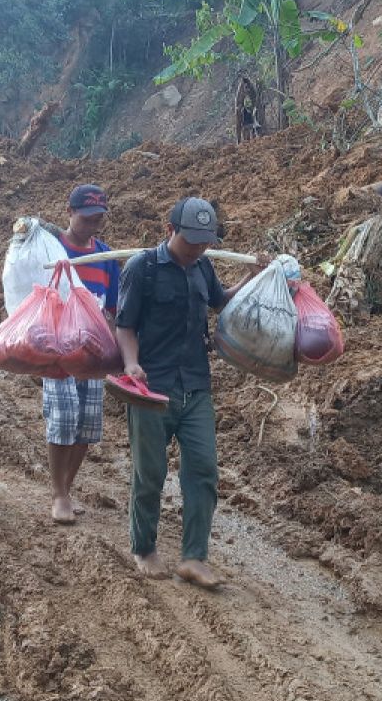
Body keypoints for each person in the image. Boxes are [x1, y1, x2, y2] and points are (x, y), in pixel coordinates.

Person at [115, 197, 265, 589]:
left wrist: (257, 277)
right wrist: (131, 364)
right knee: (150, 473)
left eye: (205, 241)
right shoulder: (142, 268)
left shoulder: (202, 266)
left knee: (203, 471)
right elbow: (124, 324)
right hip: (151, 388)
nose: (198, 247)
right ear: (170, 231)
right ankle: (143, 548)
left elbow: (220, 302)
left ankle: (193, 557)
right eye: (191, 239)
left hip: (196, 385)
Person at [42, 184, 120, 525]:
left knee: (87, 425)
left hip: (93, 351)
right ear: (69, 212)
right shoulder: (51, 249)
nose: (93, 225)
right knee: (64, 416)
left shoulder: (105, 258)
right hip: (58, 349)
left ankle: (67, 489)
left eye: (98, 219)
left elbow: (113, 311)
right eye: (86, 218)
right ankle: (58, 494)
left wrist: (116, 357)